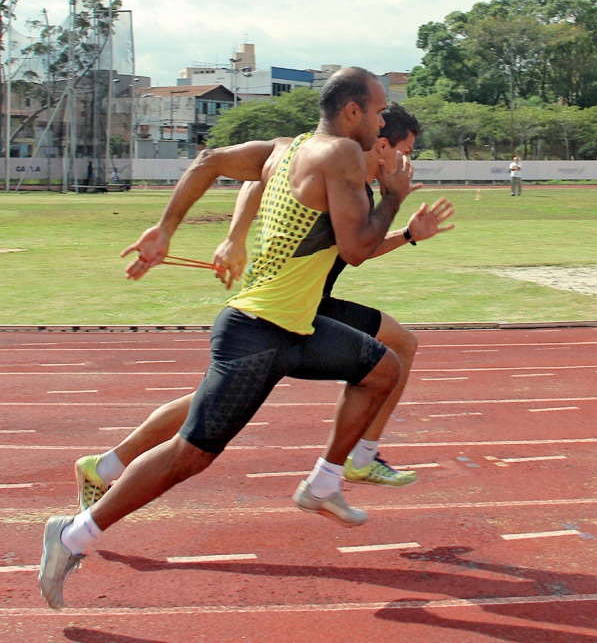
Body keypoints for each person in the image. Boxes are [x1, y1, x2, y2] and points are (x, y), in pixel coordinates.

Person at [40, 67, 414, 609]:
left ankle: (325, 482)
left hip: (296, 327)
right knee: (189, 456)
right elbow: (357, 249)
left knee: (383, 368)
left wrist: (166, 228)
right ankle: (71, 534)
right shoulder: (341, 155)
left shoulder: (284, 149)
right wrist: (394, 197)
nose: (382, 122)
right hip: (259, 333)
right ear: (352, 111)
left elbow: (209, 160)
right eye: (378, 111)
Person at [72, 104, 453, 511]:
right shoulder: (326, 165)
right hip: (284, 304)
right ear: (381, 144)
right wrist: (234, 238)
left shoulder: (356, 182)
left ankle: (106, 465)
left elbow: (356, 247)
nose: (410, 163)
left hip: (306, 302)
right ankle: (358, 459)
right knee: (393, 350)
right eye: (406, 151)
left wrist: (407, 233)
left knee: (395, 348)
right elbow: (260, 177)